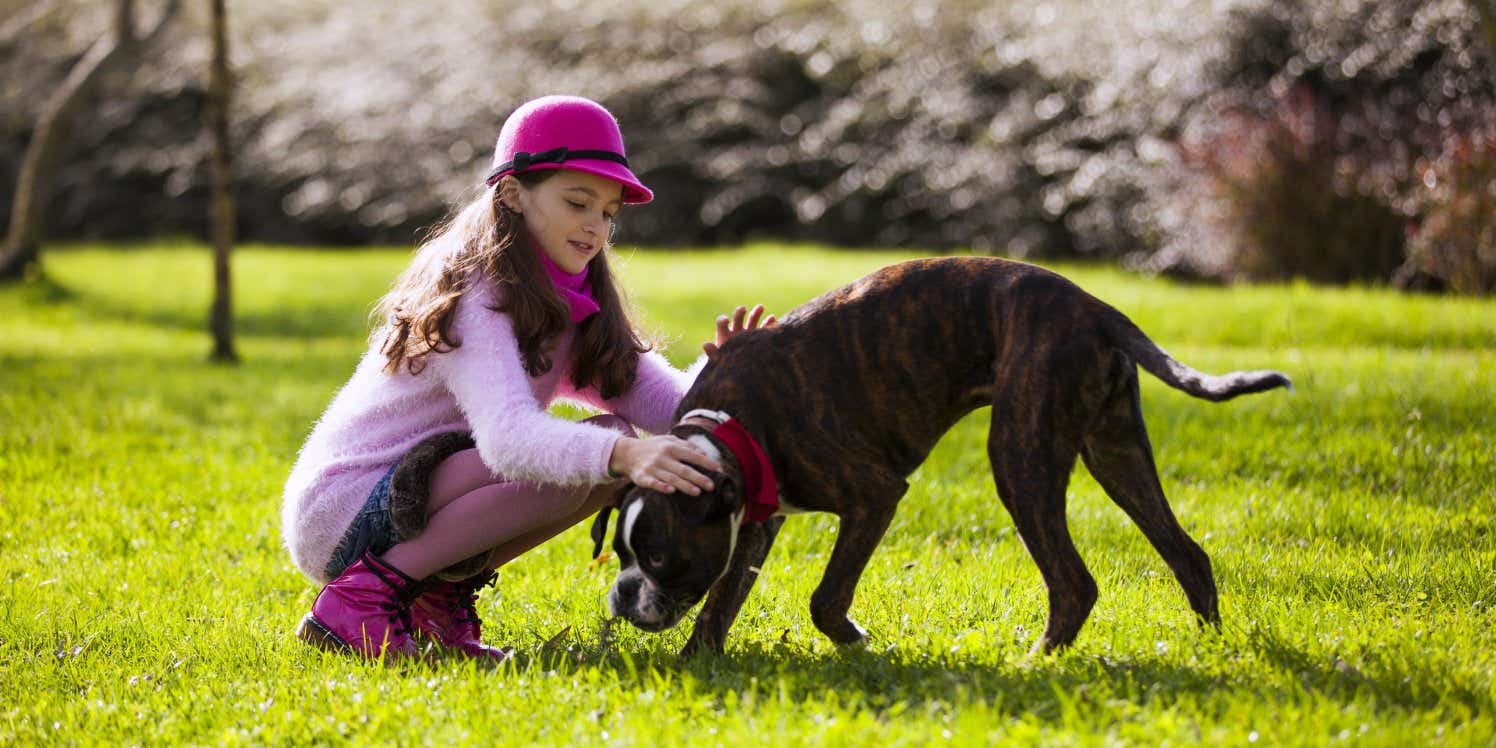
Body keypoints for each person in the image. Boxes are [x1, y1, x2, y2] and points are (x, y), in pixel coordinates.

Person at [280, 95, 774, 661]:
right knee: (601, 455)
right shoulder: (476, 293)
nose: (594, 227)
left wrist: (720, 375)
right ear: (513, 193)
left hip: (415, 493)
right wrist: (623, 454)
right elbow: (510, 441)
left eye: (608, 213)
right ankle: (360, 600)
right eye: (577, 202)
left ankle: (434, 602)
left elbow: (669, 411)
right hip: (343, 508)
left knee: (612, 443)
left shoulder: (573, 302)